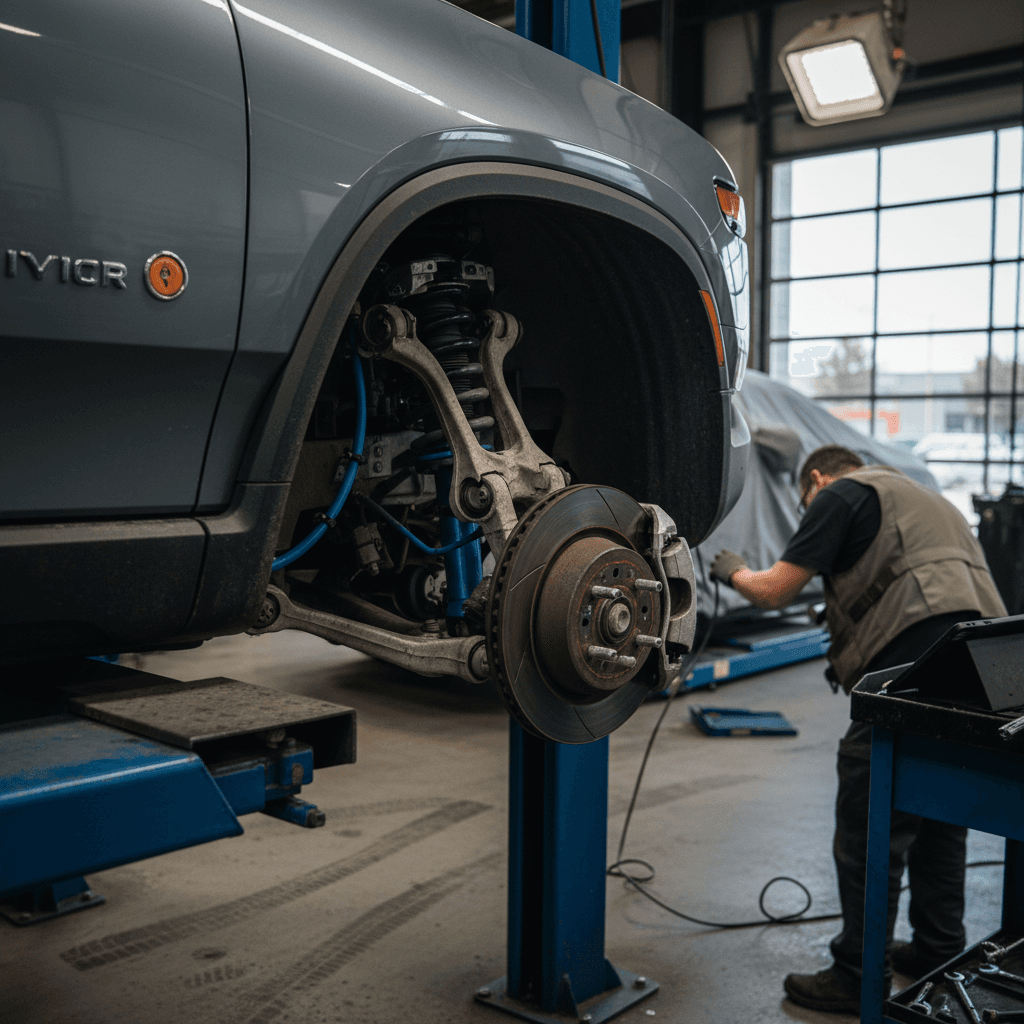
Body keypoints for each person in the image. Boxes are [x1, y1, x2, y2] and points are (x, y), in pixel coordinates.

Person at [709, 444, 1007, 1015]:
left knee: (872, 806)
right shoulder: (922, 498)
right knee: (939, 807)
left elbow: (776, 588)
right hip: (986, 658)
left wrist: (732, 571)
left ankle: (855, 972)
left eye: (804, 503)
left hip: (921, 658)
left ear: (817, 479)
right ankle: (937, 945)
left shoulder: (841, 492)